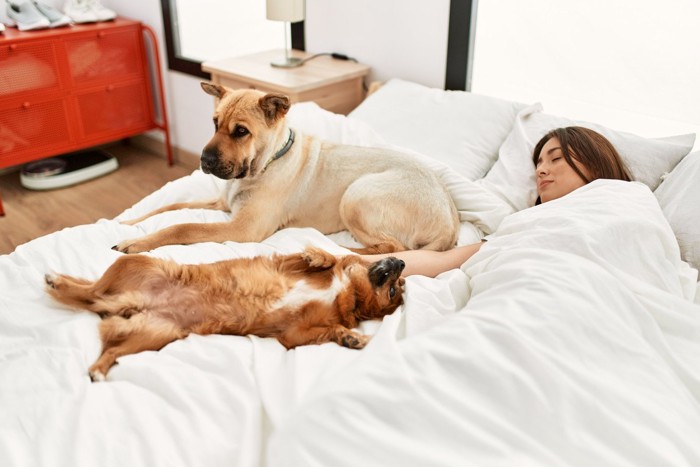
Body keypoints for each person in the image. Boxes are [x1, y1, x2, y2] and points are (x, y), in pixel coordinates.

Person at [361, 126, 633, 277]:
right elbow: (443, 261)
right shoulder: (527, 223)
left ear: (595, 162)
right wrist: (345, 262)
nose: (540, 170)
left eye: (556, 158)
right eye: (539, 162)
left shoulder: (626, 202)